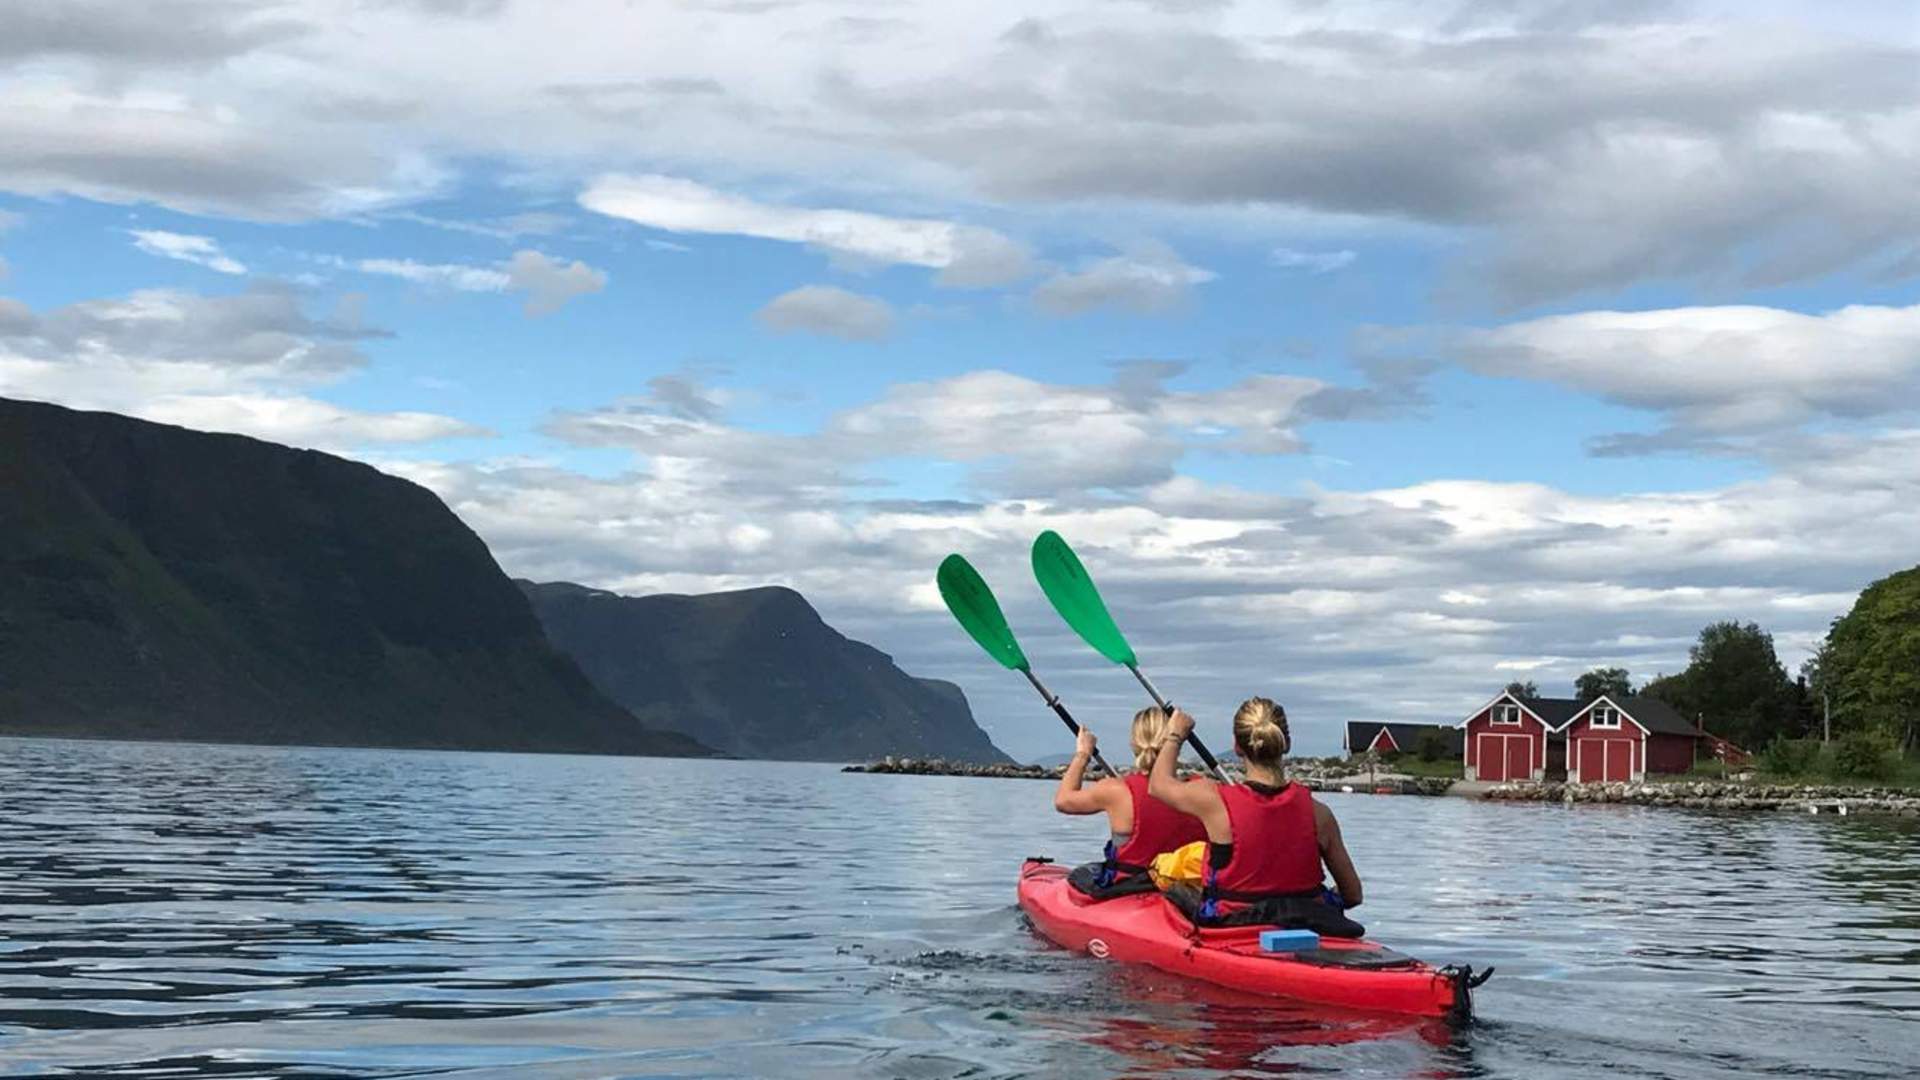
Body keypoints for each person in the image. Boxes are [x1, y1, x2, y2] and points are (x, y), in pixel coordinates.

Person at [1147, 697, 1366, 936]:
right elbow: (1353, 895)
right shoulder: (1319, 813)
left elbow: (1157, 785)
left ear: (1237, 746)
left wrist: (1176, 734)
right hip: (1308, 922)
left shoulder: (1214, 801)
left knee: (1174, 890)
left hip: (1234, 925)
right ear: (1286, 743)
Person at [1051, 707, 1208, 895]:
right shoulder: (1203, 790)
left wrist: (1083, 754)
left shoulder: (1116, 790)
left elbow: (1063, 801)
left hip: (1128, 886)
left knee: (1081, 875)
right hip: (1185, 887)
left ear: (1135, 743)